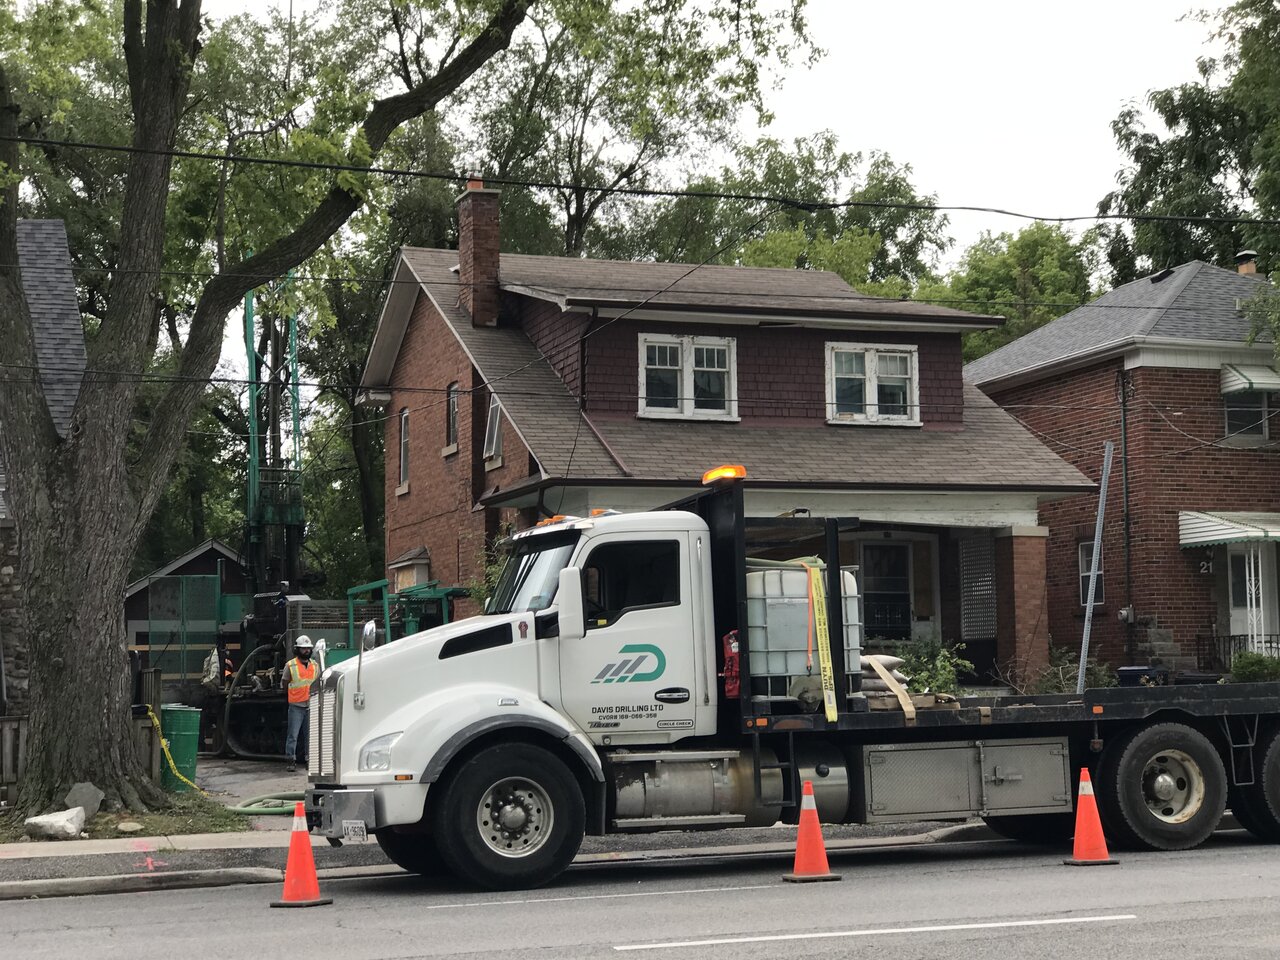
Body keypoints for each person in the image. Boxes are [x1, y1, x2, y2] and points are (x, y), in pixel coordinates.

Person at [282, 635, 318, 772]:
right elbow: (285, 682)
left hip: (311, 705)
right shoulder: (290, 665)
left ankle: (310, 760)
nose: (306, 651)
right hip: (296, 706)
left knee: (310, 736)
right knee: (293, 735)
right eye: (303, 649)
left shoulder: (315, 665)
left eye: (308, 648)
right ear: (297, 650)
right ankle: (291, 760)